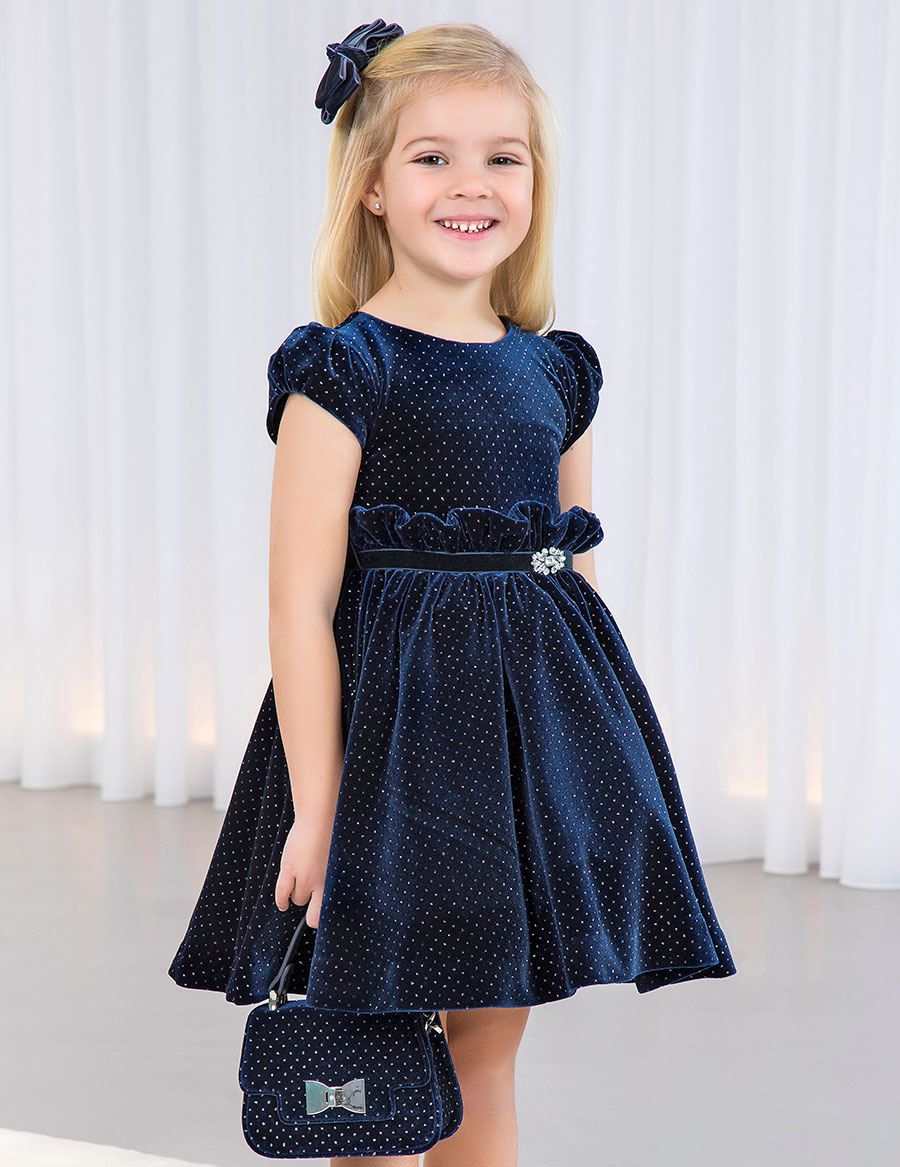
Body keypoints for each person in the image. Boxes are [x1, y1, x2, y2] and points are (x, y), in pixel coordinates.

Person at [168, 18, 738, 1166]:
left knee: (486, 1056)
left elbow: (567, 568)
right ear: (373, 188)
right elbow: (298, 607)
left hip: (513, 762)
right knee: (371, 1060)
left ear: (536, 182)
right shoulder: (345, 369)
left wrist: (585, 762)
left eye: (501, 157)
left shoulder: (555, 369)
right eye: (434, 157)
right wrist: (319, 809)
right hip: (384, 758)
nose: (471, 184)